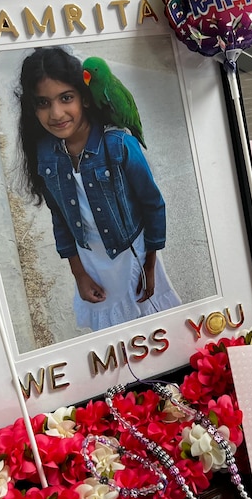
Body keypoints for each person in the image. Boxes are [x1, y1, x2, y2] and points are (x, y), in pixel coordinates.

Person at [16, 46, 181, 331]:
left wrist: (150, 265)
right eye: (43, 103)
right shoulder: (46, 155)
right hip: (92, 264)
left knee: (152, 330)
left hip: (135, 257)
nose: (56, 113)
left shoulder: (120, 146)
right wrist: (79, 273)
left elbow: (153, 205)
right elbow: (61, 220)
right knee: (114, 337)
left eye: (66, 98)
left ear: (87, 98)